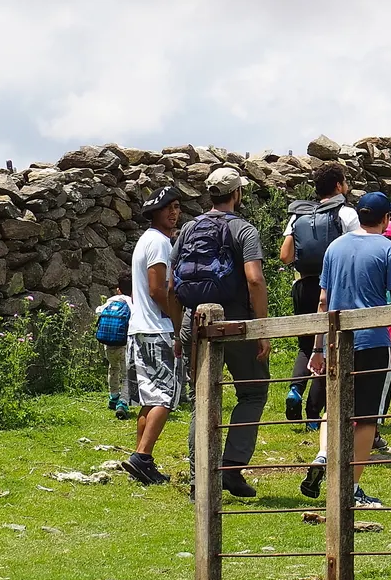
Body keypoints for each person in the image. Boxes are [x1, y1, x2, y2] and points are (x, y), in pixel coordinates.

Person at [300, 192, 391, 509]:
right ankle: (350, 488)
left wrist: (317, 348)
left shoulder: (335, 247)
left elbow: (323, 302)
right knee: (365, 419)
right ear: (385, 219)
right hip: (373, 342)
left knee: (333, 410)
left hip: (336, 342)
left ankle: (323, 455)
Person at [175, 166, 271, 499]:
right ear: (237, 194)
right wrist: (262, 328)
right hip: (235, 322)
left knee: (200, 401)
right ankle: (231, 467)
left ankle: (198, 480)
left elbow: (175, 284)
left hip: (194, 321)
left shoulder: (187, 229)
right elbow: (255, 279)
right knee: (254, 391)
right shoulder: (243, 230)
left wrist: (178, 331)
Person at [279, 164, 359, 426]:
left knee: (306, 345)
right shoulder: (346, 213)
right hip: (334, 287)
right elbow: (354, 251)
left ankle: (295, 388)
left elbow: (285, 255)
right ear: (338, 186)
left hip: (303, 287)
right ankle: (314, 415)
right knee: (329, 346)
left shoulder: (297, 215)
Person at [122, 185, 185, 486]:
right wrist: (178, 318)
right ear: (154, 213)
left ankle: (140, 460)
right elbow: (157, 288)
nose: (174, 213)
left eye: (176, 207)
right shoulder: (160, 243)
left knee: (148, 398)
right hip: (157, 329)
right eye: (167, 208)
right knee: (165, 396)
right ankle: (143, 456)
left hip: (139, 329)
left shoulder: (146, 240)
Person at [94, 275, 133, 420]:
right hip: (124, 345)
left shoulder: (110, 302)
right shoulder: (131, 303)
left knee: (113, 368)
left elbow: (98, 311)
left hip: (108, 344)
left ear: (118, 290)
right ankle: (123, 402)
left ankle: (113, 397)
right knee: (127, 375)